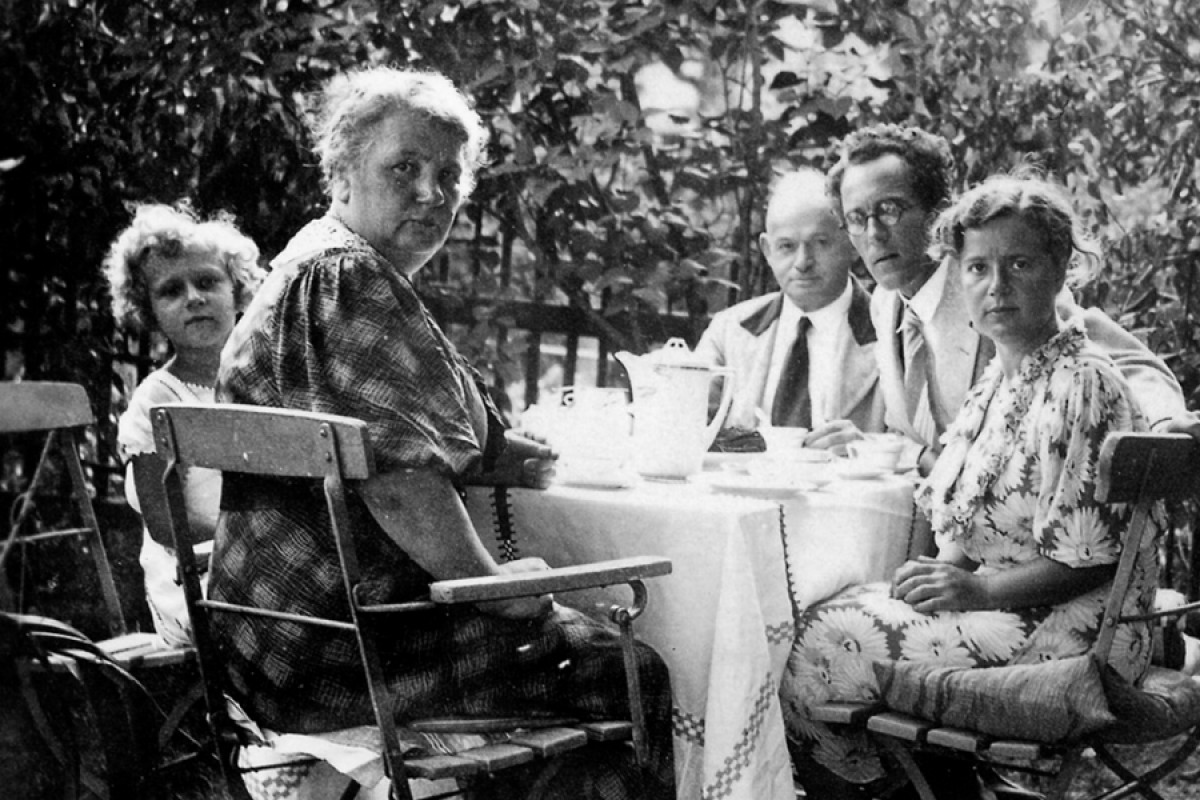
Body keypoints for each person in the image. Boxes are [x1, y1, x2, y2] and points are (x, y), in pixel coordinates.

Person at [212, 66, 674, 798]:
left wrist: (502, 455)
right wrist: (491, 587)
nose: (432, 193)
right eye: (405, 168)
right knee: (627, 666)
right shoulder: (348, 279)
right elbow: (397, 479)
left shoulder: (311, 261)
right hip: (351, 649)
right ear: (343, 171)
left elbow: (379, 428)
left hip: (270, 636)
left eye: (449, 176)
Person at [780, 174, 1165, 799]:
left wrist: (975, 588)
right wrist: (940, 577)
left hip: (1077, 633)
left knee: (822, 648)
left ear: (1062, 267)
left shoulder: (1082, 382)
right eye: (979, 268)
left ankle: (921, 792)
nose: (998, 286)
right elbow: (969, 515)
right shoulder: (1001, 381)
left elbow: (1089, 560)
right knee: (820, 620)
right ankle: (937, 791)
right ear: (958, 278)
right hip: (1011, 609)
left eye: (1019, 264)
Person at [824, 124, 1186, 471]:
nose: (873, 233)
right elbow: (914, 432)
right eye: (857, 218)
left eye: (889, 209)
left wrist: (1166, 424)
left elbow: (1122, 363)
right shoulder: (884, 305)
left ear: (936, 210)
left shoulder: (996, 292)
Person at [104, 202, 265, 647]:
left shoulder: (262, 383)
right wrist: (257, 537)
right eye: (171, 290)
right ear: (149, 312)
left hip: (267, 568)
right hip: (194, 583)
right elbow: (161, 521)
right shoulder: (158, 400)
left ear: (238, 291)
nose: (194, 297)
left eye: (208, 281)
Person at [695, 168, 883, 443]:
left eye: (820, 243)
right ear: (767, 250)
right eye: (786, 246)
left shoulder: (891, 332)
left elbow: (926, 446)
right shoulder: (730, 332)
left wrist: (867, 449)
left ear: (852, 243)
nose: (803, 262)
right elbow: (683, 425)